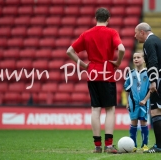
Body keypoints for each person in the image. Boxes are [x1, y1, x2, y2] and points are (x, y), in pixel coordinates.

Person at [66, 8, 125, 153]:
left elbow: (69, 51)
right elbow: (122, 49)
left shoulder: (87, 34)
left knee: (95, 109)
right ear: (108, 18)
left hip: (92, 73)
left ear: (95, 18)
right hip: (107, 73)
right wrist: (117, 63)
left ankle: (97, 146)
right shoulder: (112, 32)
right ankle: (109, 145)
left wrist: (84, 65)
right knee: (110, 109)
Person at [134, 22, 161, 153]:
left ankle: (158, 146)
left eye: (136, 33)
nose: (135, 36)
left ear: (142, 32)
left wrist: (152, 81)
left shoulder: (149, 42)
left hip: (160, 79)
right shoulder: (158, 41)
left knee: (155, 112)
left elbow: (153, 61)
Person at [124, 52, 150, 152]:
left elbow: (151, 89)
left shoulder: (148, 73)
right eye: (134, 57)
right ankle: (133, 145)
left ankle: (145, 145)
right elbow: (127, 89)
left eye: (138, 57)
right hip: (133, 103)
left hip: (144, 102)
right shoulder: (130, 73)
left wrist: (145, 100)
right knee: (133, 122)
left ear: (143, 60)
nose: (136, 59)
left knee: (143, 122)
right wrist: (127, 102)